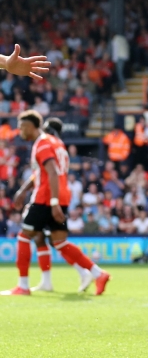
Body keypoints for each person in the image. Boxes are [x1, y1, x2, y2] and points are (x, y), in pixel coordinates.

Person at [2, 114, 111, 296]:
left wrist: (52, 203)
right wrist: (23, 191)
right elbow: (47, 172)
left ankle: (23, 286)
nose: (20, 131)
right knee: (59, 242)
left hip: (45, 197)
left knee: (24, 237)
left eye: (22, 127)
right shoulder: (57, 143)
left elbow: (51, 172)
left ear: (31, 126)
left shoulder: (42, 144)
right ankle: (98, 273)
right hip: (62, 196)